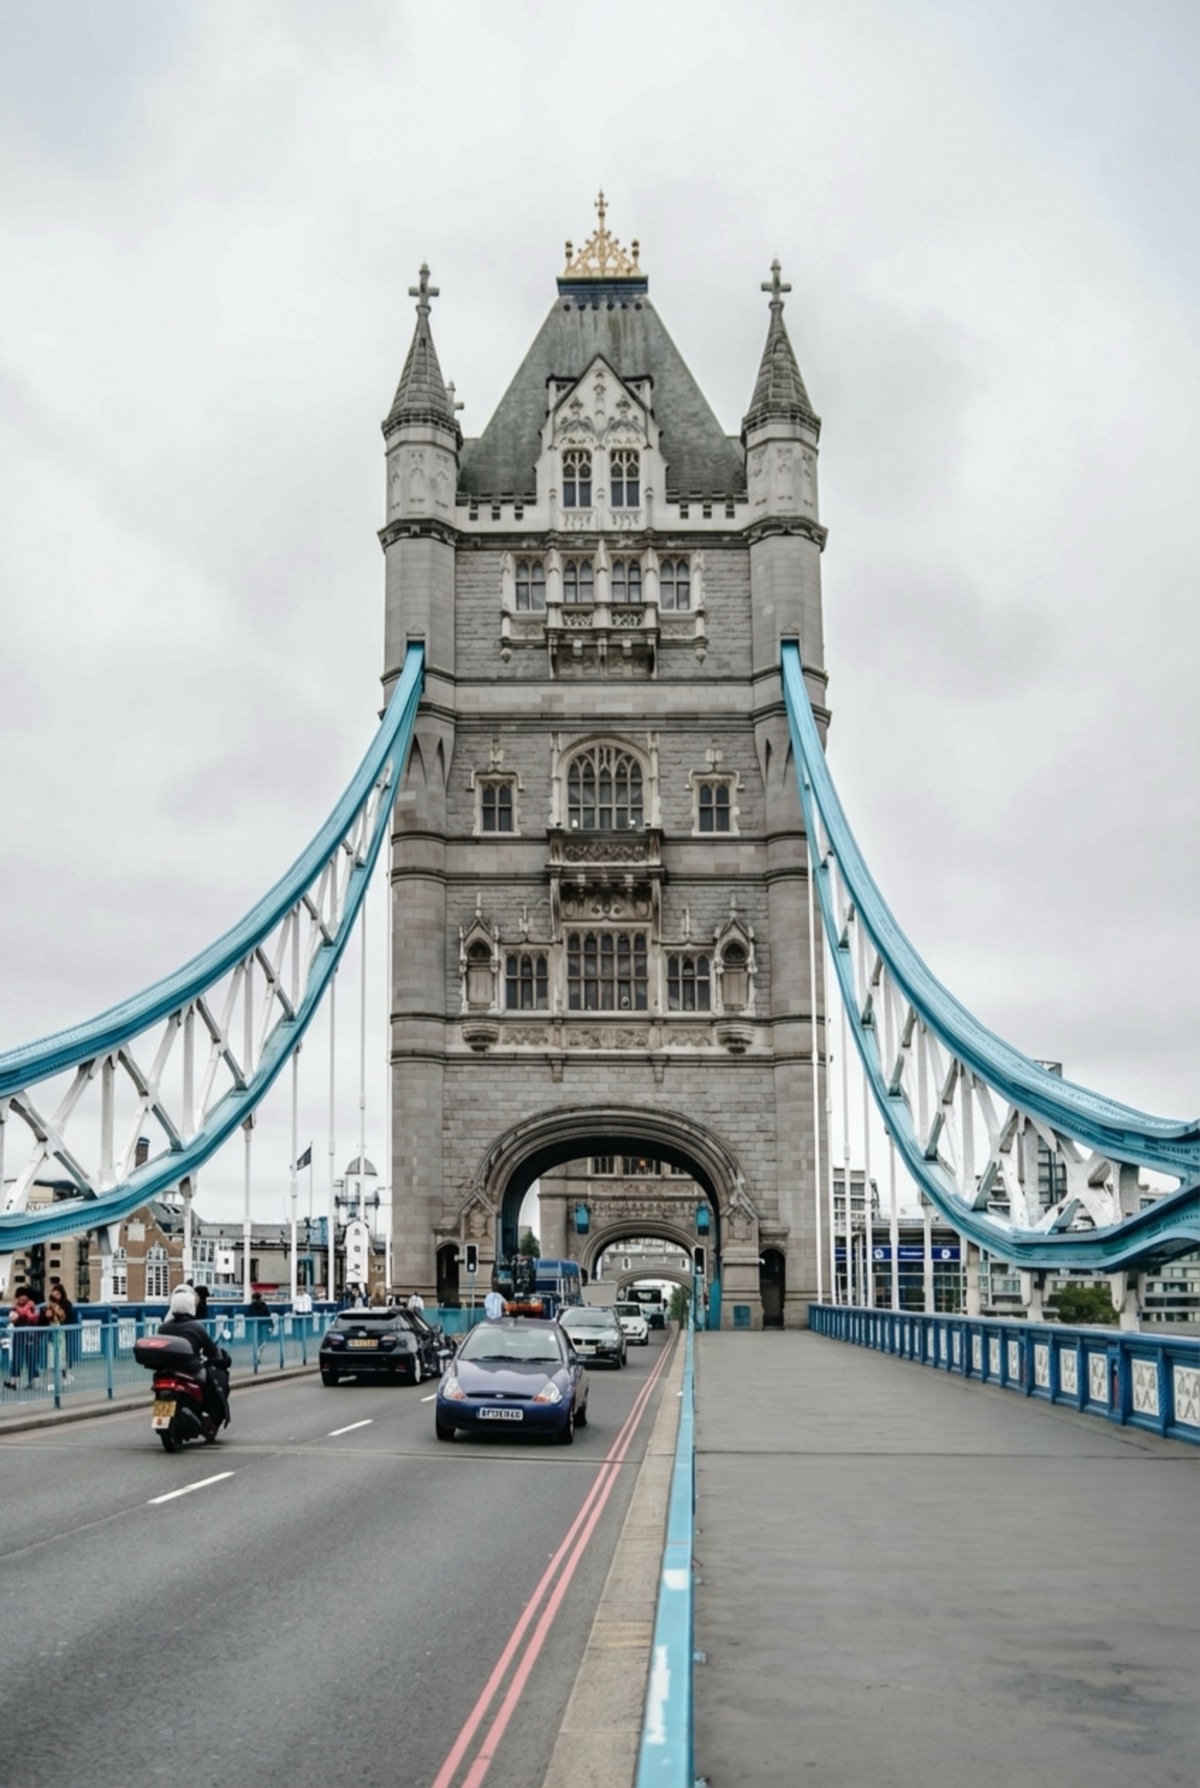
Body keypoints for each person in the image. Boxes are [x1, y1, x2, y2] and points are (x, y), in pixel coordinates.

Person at [158, 1285, 230, 1430]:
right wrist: (220, 1358)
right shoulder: (196, 1327)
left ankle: (166, 1418)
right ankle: (210, 1417)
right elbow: (211, 1351)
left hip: (167, 1368)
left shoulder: (163, 1328)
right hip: (190, 1369)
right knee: (211, 1384)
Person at [4, 1289, 44, 1390]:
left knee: (31, 1357)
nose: (22, 1298)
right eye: (20, 1296)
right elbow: (12, 1318)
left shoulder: (32, 1307)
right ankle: (14, 1381)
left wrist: (26, 1313)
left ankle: (35, 1380)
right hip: (18, 1334)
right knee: (16, 1357)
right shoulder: (14, 1308)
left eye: (24, 1295)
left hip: (31, 1335)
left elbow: (35, 1318)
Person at [43, 1283, 77, 1383]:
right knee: (52, 1354)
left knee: (63, 1354)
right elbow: (46, 1317)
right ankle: (57, 1378)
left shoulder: (66, 1304)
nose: (55, 1296)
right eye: (54, 1294)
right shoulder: (49, 1305)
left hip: (63, 1331)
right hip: (53, 1331)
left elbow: (66, 1317)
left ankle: (66, 1375)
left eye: (57, 1294)